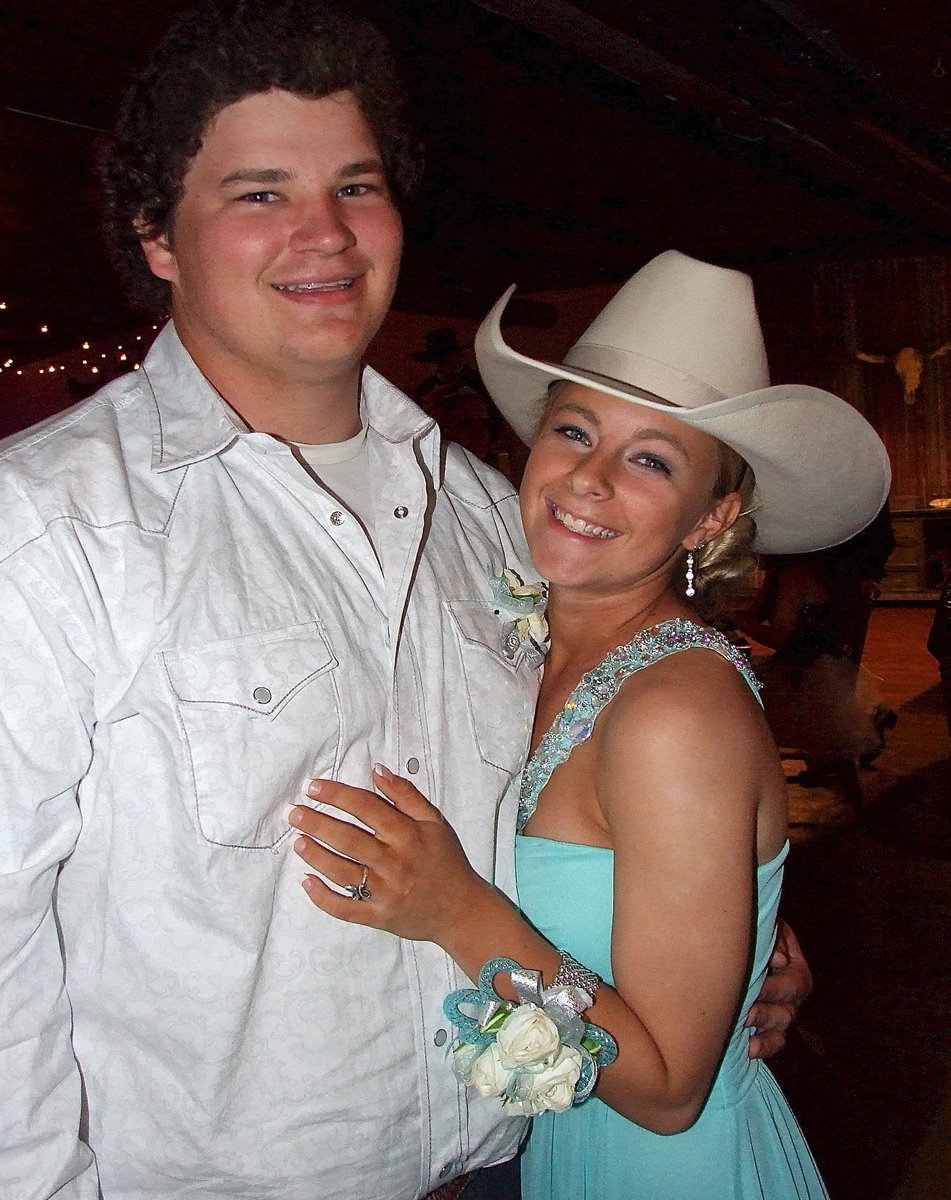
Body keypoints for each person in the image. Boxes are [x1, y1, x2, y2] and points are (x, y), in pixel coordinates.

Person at [0, 2, 808, 1194]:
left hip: (506, 1164)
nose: (323, 233)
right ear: (157, 237)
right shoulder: (48, 527)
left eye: (356, 185)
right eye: (260, 191)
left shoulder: (492, 516)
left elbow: (613, 787)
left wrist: (738, 942)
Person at [288, 251, 891, 1198]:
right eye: (574, 430)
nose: (590, 478)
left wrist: (454, 907)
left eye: (651, 458)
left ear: (711, 517)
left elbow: (665, 1088)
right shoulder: (526, 642)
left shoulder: (673, 711)